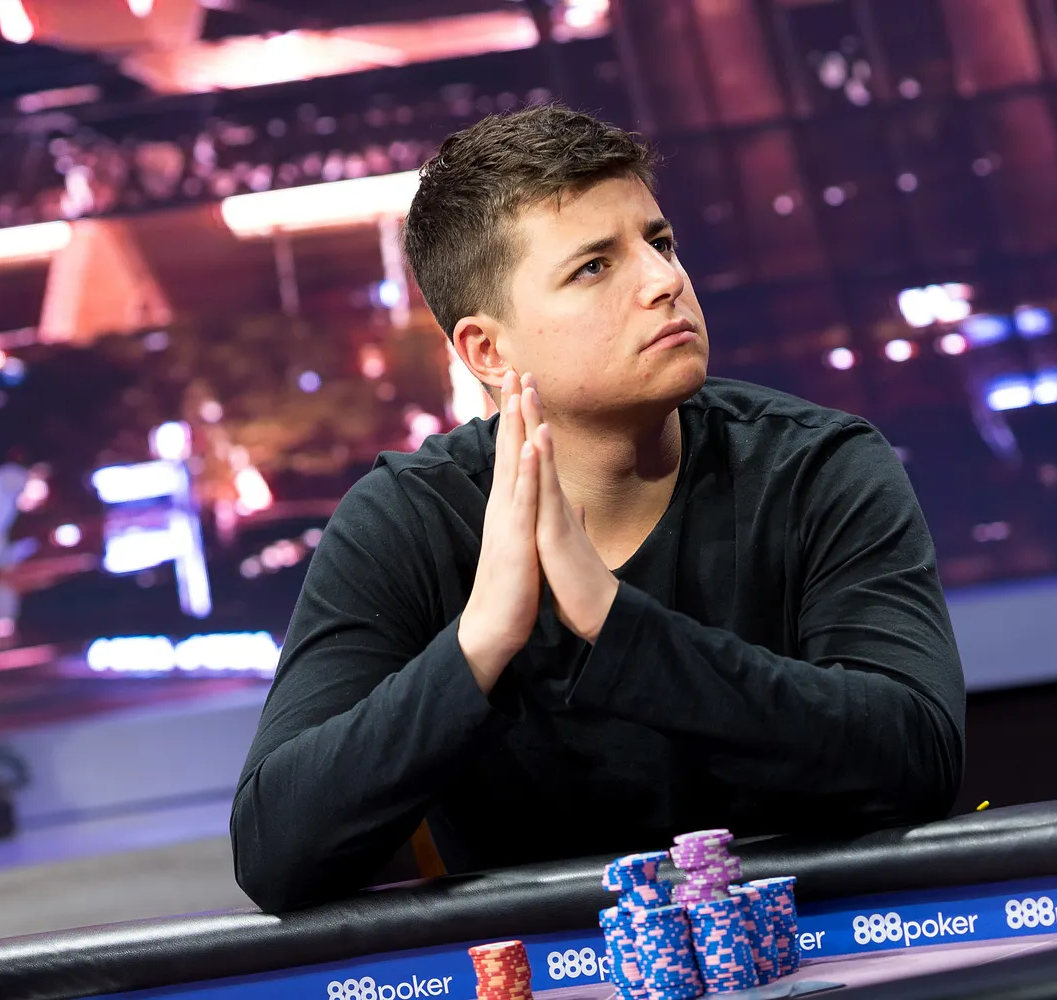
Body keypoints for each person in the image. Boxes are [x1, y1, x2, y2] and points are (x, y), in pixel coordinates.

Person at [231, 103, 965, 913]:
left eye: (660, 243)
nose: (664, 281)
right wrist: (479, 642)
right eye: (593, 267)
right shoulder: (407, 520)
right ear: (487, 350)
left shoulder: (817, 466)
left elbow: (916, 758)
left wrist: (614, 625)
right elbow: (275, 852)